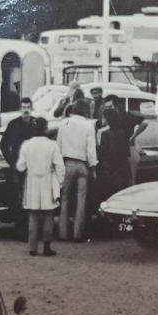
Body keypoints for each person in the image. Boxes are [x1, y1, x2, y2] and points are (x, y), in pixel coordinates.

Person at [16, 117, 64, 257]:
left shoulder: (26, 145)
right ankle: (47, 247)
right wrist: (59, 183)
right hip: (47, 180)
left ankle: (32, 247)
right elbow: (59, 166)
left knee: (33, 215)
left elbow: (20, 166)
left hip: (32, 182)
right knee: (49, 215)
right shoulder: (52, 145)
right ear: (45, 129)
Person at [57, 99, 98, 241]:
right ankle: (77, 234)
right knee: (81, 199)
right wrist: (93, 167)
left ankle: (62, 232)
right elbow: (91, 149)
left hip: (67, 163)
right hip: (82, 165)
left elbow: (58, 145)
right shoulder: (88, 126)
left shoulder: (64, 124)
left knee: (65, 198)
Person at [105, 94, 148, 185]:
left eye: (110, 107)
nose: (108, 109)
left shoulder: (120, 117)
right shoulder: (126, 115)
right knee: (129, 177)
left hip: (124, 149)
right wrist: (134, 136)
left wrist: (134, 136)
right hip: (127, 148)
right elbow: (144, 122)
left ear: (116, 106)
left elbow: (145, 122)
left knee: (128, 178)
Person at [96, 109, 132, 203]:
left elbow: (104, 154)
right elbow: (127, 152)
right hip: (123, 169)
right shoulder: (122, 132)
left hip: (111, 170)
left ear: (107, 119)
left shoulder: (104, 134)